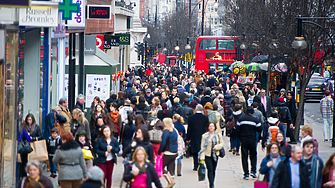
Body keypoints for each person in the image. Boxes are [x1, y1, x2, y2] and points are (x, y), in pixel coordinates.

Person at [236, 106, 262, 179]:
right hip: (252, 139)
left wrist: (240, 137)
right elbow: (259, 129)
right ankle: (253, 171)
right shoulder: (255, 120)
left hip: (244, 139)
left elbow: (237, 129)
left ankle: (246, 173)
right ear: (252, 113)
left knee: (244, 156)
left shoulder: (241, 119)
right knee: (253, 155)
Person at [199, 122, 224, 188]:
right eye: (210, 126)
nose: (211, 127)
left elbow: (221, 144)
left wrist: (216, 147)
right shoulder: (204, 136)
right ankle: (211, 184)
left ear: (215, 127)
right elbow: (202, 147)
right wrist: (202, 157)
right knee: (209, 169)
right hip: (207, 155)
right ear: (208, 127)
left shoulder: (218, 135)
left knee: (213, 169)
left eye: (212, 126)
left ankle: (212, 181)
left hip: (215, 155)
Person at [186, 104, 209, 170]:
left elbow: (189, 129)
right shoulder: (205, 118)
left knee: (195, 152)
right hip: (203, 136)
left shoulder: (191, 117)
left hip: (194, 136)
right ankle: (201, 163)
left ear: (196, 109)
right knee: (201, 150)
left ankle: (195, 165)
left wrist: (188, 138)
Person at [158, 118, 178, 187]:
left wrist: (159, 152)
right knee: (170, 169)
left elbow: (163, 143)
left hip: (168, 152)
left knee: (161, 168)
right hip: (174, 152)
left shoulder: (166, 132)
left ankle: (171, 182)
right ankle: (170, 185)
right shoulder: (174, 131)